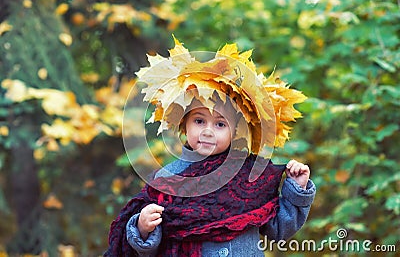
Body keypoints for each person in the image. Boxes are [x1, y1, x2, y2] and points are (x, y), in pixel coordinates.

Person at [105, 38, 316, 257]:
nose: (208, 131)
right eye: (199, 121)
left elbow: (279, 229)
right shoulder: (168, 178)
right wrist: (143, 227)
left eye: (220, 124)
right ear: (184, 124)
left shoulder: (250, 176)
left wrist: (297, 190)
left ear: (234, 132)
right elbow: (153, 248)